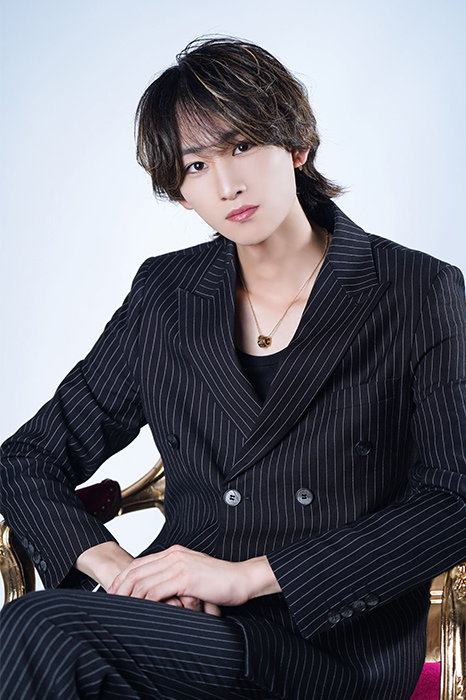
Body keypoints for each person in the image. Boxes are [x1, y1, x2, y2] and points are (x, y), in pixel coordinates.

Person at [1, 36, 465, 700]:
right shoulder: (166, 295)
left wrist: (247, 577)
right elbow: (27, 458)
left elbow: (454, 500)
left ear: (296, 145)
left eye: (242, 146)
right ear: (181, 193)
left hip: (325, 646)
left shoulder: (418, 291)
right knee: (48, 641)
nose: (226, 185)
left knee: (40, 630)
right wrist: (125, 574)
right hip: (183, 626)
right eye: (195, 165)